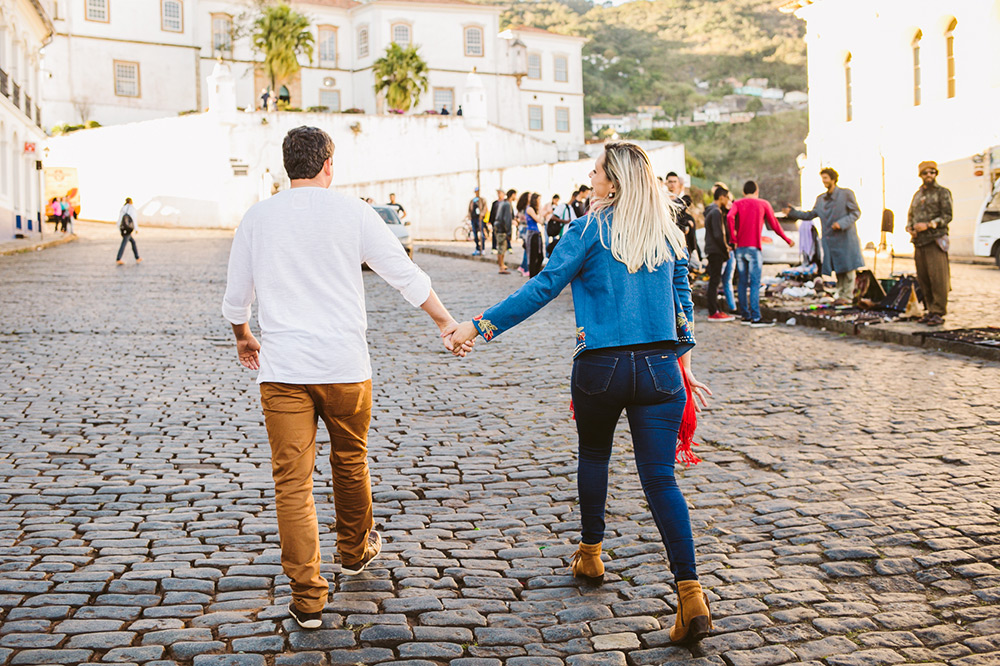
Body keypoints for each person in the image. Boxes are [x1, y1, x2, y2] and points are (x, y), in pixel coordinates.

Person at [446, 141, 714, 646]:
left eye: (595, 173)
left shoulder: (587, 229)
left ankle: (591, 554)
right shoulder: (669, 234)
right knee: (660, 480)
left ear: (612, 181)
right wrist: (686, 367)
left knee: (594, 455)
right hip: (661, 370)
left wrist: (479, 326)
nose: (590, 179)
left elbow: (544, 286)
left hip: (601, 367)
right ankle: (691, 592)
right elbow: (684, 309)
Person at [221, 126, 469, 631]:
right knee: (350, 459)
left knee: (292, 483)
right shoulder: (354, 212)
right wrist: (445, 321)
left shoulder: (258, 216)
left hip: (284, 371)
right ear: (328, 164)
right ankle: (355, 552)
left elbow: (236, 295)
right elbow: (404, 275)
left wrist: (244, 336)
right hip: (345, 368)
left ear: (287, 167)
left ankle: (308, 598)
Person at [784, 168, 863, 305]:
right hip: (831, 241)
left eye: (826, 178)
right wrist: (793, 213)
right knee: (839, 268)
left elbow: (855, 212)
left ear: (833, 179)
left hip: (846, 238)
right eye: (822, 179)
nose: (824, 181)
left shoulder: (846, 194)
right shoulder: (821, 200)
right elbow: (810, 215)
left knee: (849, 268)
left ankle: (848, 296)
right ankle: (841, 295)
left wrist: (841, 223)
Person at [726, 181, 794, 326]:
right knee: (755, 283)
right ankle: (756, 317)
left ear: (744, 192)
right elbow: (774, 224)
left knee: (742, 282)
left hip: (740, 249)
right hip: (754, 248)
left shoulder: (737, 203)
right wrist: (787, 239)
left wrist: (733, 238)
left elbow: (729, 217)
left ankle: (745, 315)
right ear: (756, 191)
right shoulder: (763, 204)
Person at [906, 160, 953, 326]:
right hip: (919, 242)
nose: (929, 176)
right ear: (921, 175)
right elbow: (910, 215)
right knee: (924, 278)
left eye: (932, 172)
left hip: (935, 240)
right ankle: (929, 310)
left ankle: (938, 312)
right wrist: (910, 227)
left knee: (938, 278)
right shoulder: (917, 195)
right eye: (925, 173)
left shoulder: (942, 192)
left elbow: (947, 215)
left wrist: (929, 225)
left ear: (935, 174)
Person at [703, 187, 734, 321]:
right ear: (722, 197)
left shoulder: (710, 211)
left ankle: (714, 309)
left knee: (714, 281)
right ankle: (713, 311)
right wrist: (726, 248)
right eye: (727, 197)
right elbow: (718, 234)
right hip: (716, 251)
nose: (728, 200)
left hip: (712, 250)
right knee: (714, 282)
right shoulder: (716, 212)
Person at [666, 172, 700, 267]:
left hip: (681, 240)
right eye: (670, 181)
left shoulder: (682, 202)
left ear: (678, 183)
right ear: (666, 183)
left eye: (674, 181)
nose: (672, 184)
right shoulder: (662, 200)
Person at [492, 188, 516, 274]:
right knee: (502, 248)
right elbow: (507, 219)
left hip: (498, 227)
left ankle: (501, 265)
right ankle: (501, 267)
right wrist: (509, 232)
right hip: (501, 228)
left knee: (501, 247)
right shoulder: (507, 204)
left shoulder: (503, 203)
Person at [548, 190, 578, 255]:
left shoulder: (571, 208)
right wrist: (565, 221)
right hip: (563, 233)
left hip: (569, 234)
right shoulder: (563, 206)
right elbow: (553, 217)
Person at [116, 197, 141, 265]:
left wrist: (119, 227)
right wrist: (136, 229)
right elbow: (134, 219)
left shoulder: (123, 208)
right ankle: (118, 258)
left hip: (123, 229)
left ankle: (137, 257)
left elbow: (120, 218)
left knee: (133, 242)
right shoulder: (131, 209)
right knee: (124, 243)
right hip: (128, 229)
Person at [526, 193, 545, 277]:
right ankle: (532, 276)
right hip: (532, 234)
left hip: (537, 233)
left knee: (540, 256)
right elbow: (539, 220)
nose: (539, 202)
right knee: (533, 257)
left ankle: (535, 275)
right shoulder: (530, 209)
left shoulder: (533, 209)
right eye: (539, 200)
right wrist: (540, 211)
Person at [468, 187, 484, 256]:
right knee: (475, 234)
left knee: (482, 234)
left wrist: (482, 215)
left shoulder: (482, 200)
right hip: (473, 218)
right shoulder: (472, 201)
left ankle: (482, 248)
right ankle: (477, 248)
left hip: (479, 219)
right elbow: (469, 209)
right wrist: (469, 216)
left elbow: (485, 208)